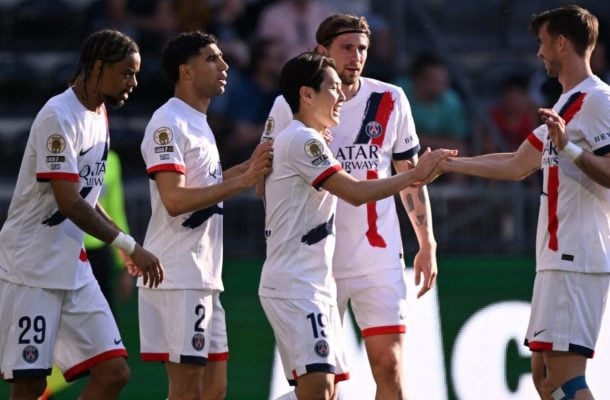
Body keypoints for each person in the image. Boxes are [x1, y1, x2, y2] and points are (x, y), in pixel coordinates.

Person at [261, 14, 439, 399]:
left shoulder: (390, 98)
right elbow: (265, 175)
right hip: (318, 263)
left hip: (377, 255)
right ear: (321, 50)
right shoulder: (291, 107)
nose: (356, 57)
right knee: (324, 385)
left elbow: (409, 174)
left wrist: (427, 241)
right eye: (346, 48)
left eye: (362, 49)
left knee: (389, 367)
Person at [440, 6, 610, 400]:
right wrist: (447, 164)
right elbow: (517, 164)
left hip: (578, 256)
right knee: (544, 376)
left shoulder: (598, 101)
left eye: (542, 42)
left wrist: (569, 149)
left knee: (565, 378)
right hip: (555, 257)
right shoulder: (565, 106)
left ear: (561, 43)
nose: (538, 52)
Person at [0, 29, 164, 400]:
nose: (134, 83)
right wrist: (130, 245)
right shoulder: (58, 116)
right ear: (98, 67)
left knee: (113, 372)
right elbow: (69, 202)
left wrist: (120, 244)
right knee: (30, 383)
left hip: (72, 266)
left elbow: (88, 195)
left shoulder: (99, 113)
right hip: (30, 268)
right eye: (126, 73)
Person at [138, 31, 273, 400]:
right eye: (212, 59)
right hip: (178, 273)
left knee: (214, 389)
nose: (224, 65)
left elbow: (209, 184)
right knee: (187, 391)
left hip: (204, 274)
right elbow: (174, 199)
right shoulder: (168, 122)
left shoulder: (198, 121)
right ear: (186, 72)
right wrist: (243, 180)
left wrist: (251, 167)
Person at [83, 149, 134, 312]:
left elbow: (116, 212)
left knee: (102, 313)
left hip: (99, 252)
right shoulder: (68, 155)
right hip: (67, 250)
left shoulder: (111, 159)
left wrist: (124, 264)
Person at [395, 52, 470, 156]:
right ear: (420, 80)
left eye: (444, 82)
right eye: (436, 82)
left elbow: (458, 142)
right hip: (399, 150)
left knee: (459, 152)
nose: (442, 87)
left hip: (433, 150)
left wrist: (421, 140)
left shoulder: (451, 101)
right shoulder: (397, 92)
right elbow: (391, 134)